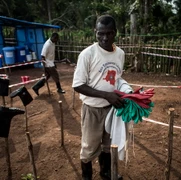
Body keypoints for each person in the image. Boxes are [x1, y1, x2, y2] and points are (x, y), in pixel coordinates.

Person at [72, 15, 124, 180]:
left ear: (115, 32)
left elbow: (117, 79)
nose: (105, 38)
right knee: (89, 147)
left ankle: (105, 173)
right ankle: (87, 177)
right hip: (92, 109)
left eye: (109, 33)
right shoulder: (87, 54)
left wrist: (127, 91)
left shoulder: (120, 54)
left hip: (112, 109)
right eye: (101, 33)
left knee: (108, 145)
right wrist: (105, 95)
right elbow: (77, 85)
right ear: (95, 32)